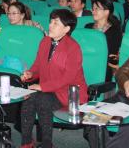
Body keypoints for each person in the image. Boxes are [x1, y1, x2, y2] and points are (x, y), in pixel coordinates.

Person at [20, 9, 88, 148]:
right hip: (49, 90)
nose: (50, 25)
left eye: (56, 23)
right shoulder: (45, 41)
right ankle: (26, 143)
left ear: (66, 29)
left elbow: (68, 78)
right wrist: (30, 74)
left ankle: (47, 144)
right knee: (29, 98)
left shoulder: (73, 47)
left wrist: (42, 86)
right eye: (51, 22)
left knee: (42, 99)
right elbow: (38, 65)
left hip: (68, 93)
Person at [85, 0, 122, 81]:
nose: (93, 11)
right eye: (93, 9)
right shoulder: (88, 27)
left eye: (97, 9)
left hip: (104, 64)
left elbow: (110, 52)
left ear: (106, 11)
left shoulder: (114, 30)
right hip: (87, 60)